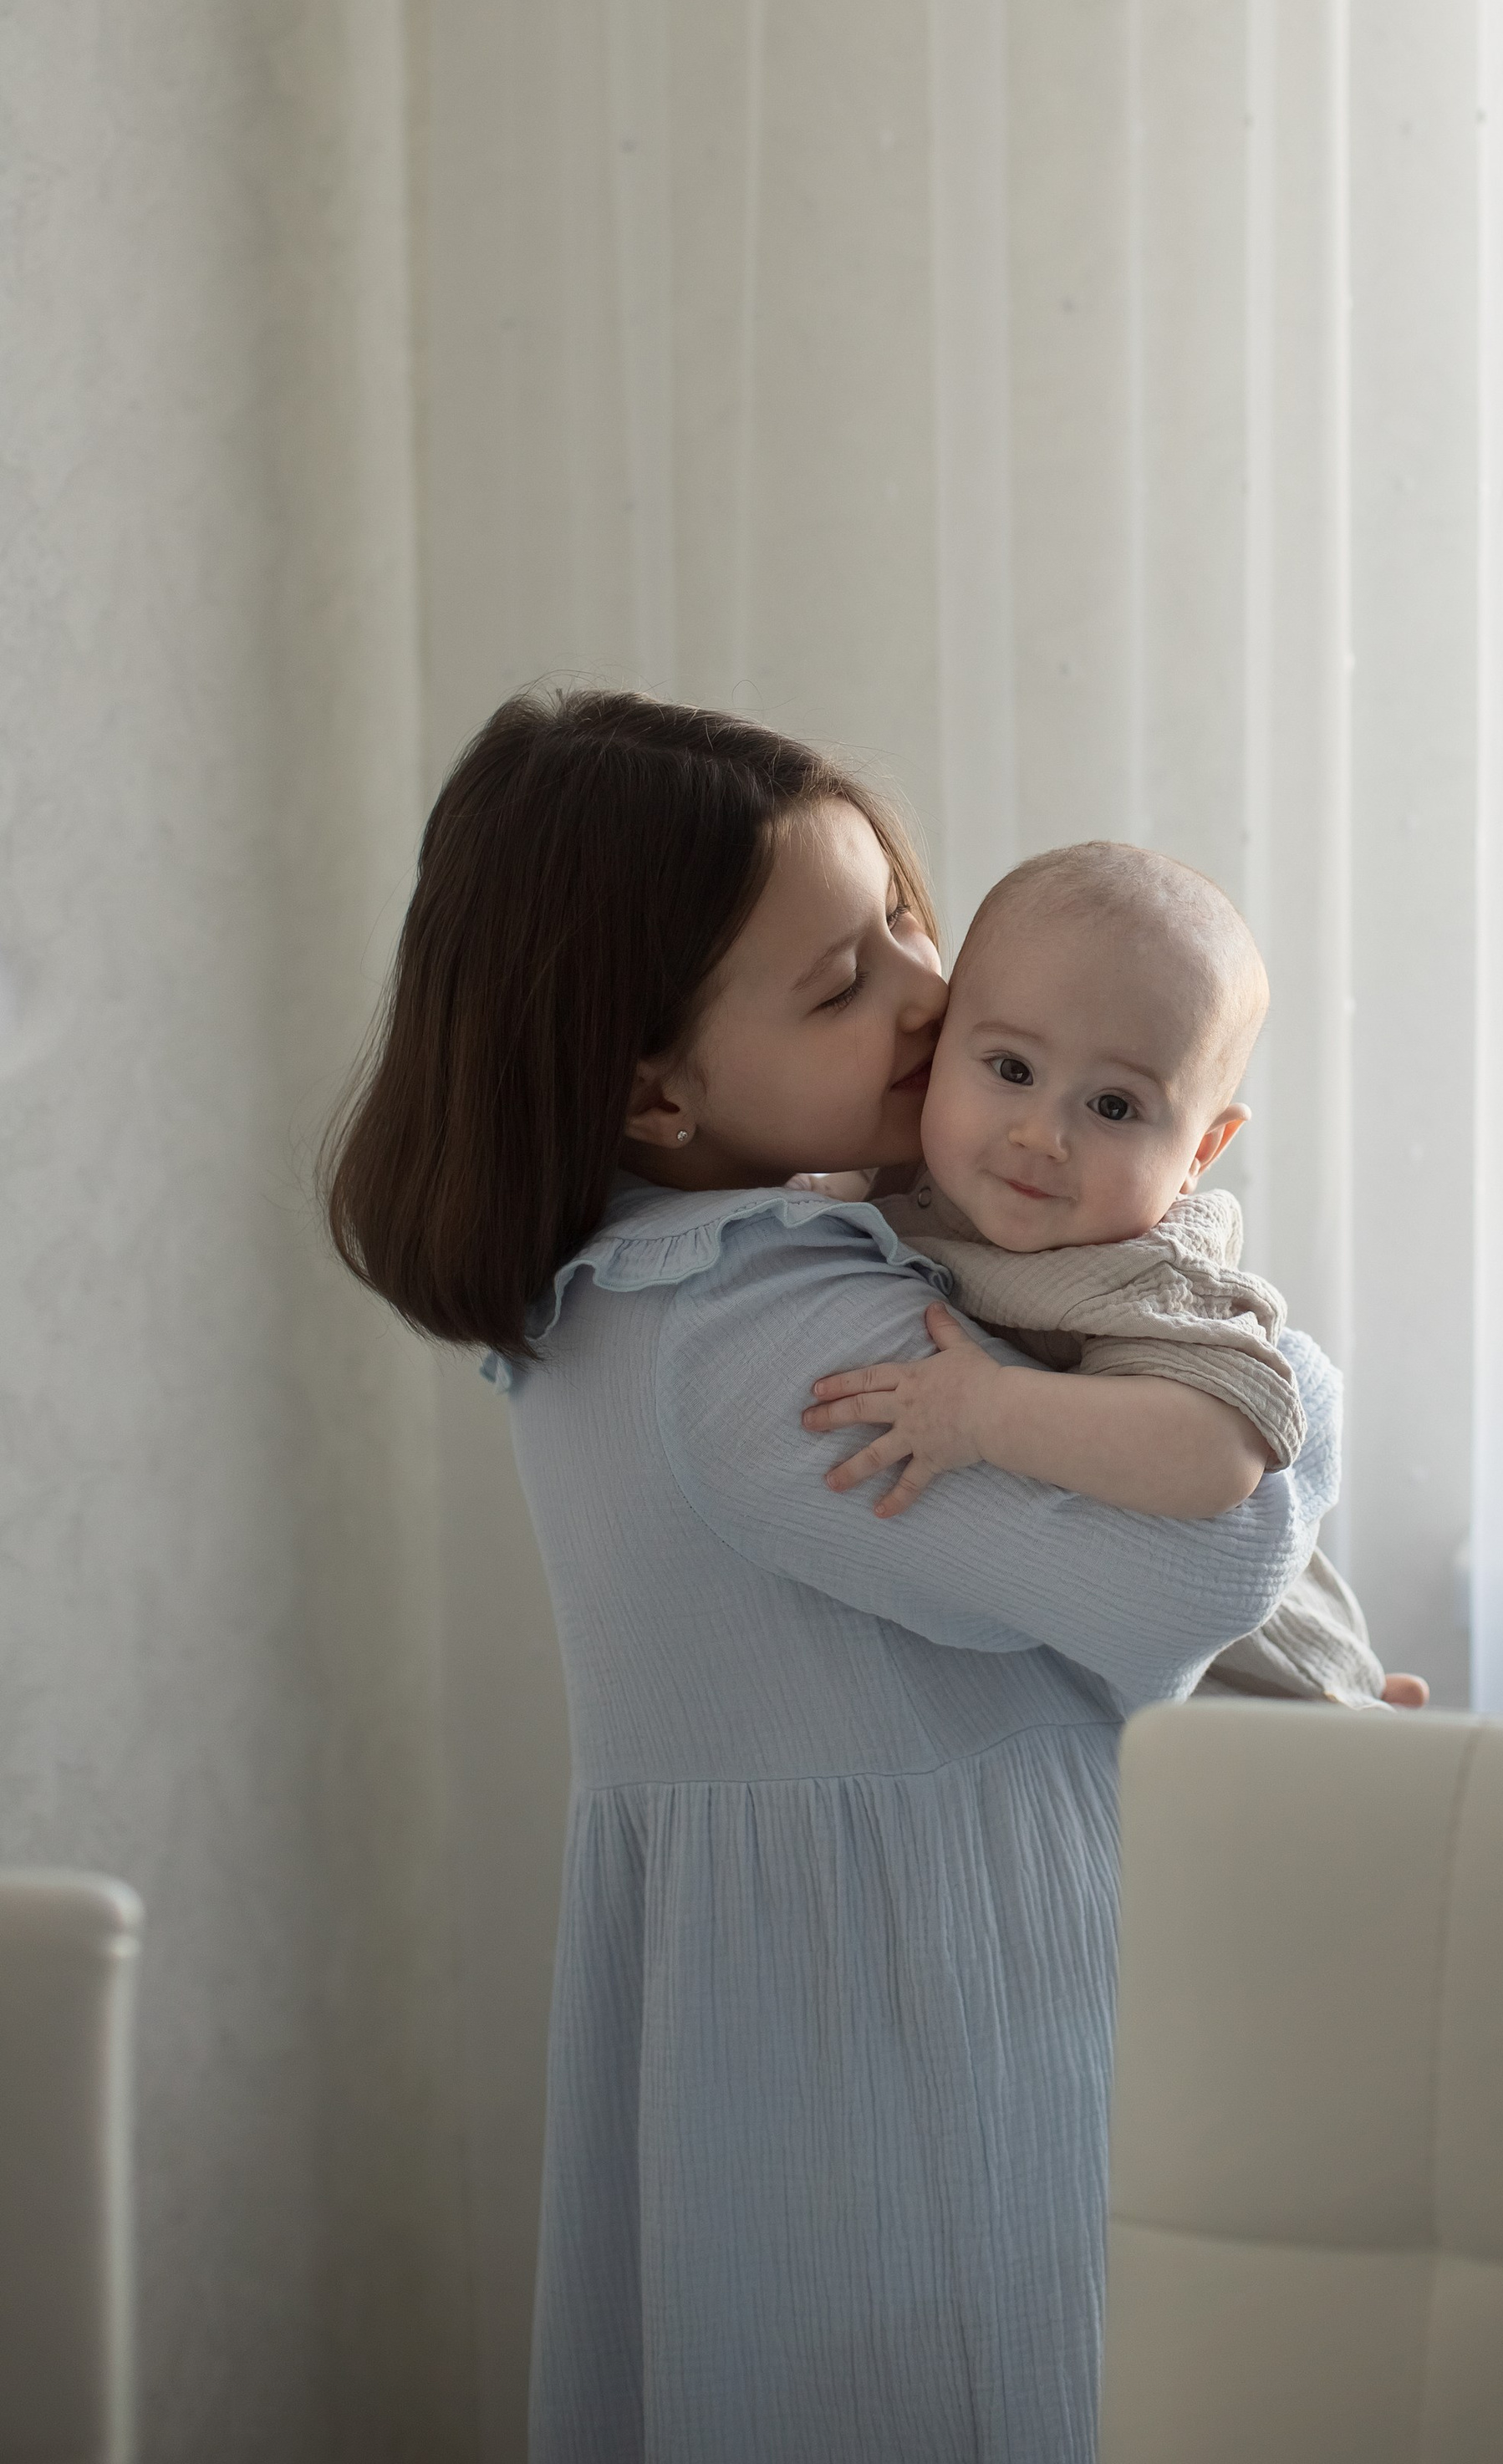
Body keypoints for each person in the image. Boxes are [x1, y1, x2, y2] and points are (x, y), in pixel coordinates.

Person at [322, 687, 1337, 2464]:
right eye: (839, 981)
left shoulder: (639, 1284)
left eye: (904, 923)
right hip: (923, 2021)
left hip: (847, 2009)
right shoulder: (767, 1330)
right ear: (651, 1085)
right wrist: (1291, 1391)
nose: (929, 995)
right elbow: (1201, 1566)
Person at [797, 839, 1428, 1709]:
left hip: (1257, 1667)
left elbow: (1216, 1454)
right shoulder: (924, 1174)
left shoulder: (1149, 1269)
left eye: (1114, 1107)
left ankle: (1371, 1704)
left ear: (1199, 1153)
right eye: (1011, 1070)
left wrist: (984, 1413)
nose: (1040, 1134)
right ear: (939, 1053)